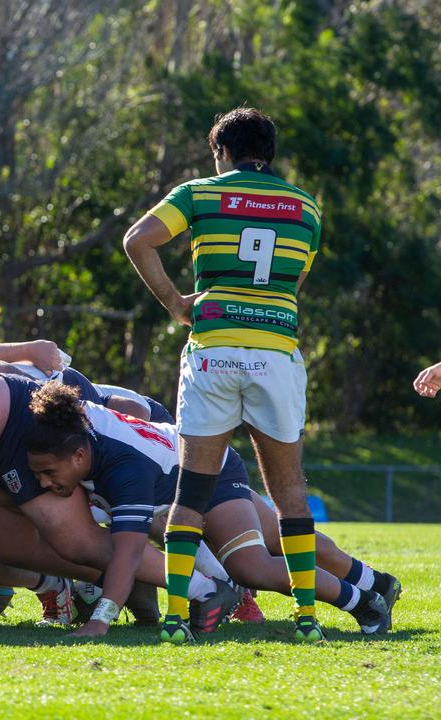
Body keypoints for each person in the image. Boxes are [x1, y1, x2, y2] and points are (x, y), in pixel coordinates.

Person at [123, 107, 326, 643]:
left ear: (221, 152)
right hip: (276, 354)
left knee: (192, 491)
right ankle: (306, 619)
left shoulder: (199, 193)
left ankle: (172, 620)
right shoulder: (306, 207)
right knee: (289, 492)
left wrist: (175, 303)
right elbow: (294, 279)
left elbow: (137, 240)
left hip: (213, 351)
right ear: (270, 154)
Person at [23, 382, 392, 639]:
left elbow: (130, 552)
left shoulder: (123, 469)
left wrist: (102, 619)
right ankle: (375, 583)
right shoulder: (70, 422)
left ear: (80, 455)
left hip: (210, 475)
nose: (43, 483)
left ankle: (364, 604)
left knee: (251, 566)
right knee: (283, 540)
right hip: (194, 462)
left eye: (48, 473)